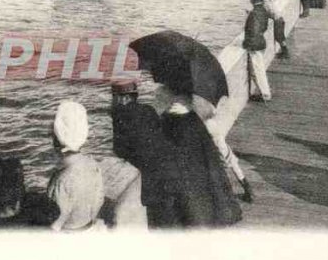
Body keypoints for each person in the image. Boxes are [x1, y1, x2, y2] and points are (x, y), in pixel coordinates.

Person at [147, 85, 243, 228]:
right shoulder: (192, 87)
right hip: (191, 124)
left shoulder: (162, 90)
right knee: (201, 167)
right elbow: (208, 111)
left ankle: (184, 211)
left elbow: (157, 108)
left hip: (171, 125)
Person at [110, 80, 178, 228]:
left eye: (114, 96)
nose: (112, 100)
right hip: (171, 166)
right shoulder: (149, 109)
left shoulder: (119, 113)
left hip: (152, 173)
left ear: (124, 98)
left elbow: (119, 149)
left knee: (156, 219)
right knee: (169, 215)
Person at [46, 100, 105, 232]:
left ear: (55, 140)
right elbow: (98, 201)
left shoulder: (61, 179)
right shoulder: (93, 165)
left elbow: (57, 221)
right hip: (90, 228)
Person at [243, 0, 279, 102]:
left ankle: (265, 94)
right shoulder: (263, 10)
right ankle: (265, 93)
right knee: (259, 69)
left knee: (257, 70)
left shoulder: (255, 13)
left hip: (255, 44)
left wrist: (247, 43)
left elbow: (254, 30)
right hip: (261, 42)